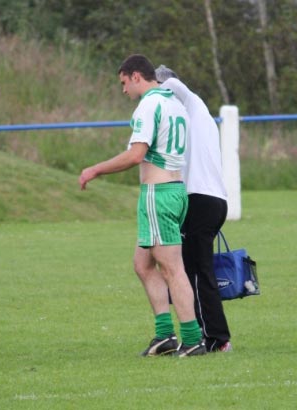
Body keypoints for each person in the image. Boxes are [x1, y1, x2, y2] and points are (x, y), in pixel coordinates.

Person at [79, 54, 206, 357]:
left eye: (124, 83)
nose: (123, 90)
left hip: (158, 194)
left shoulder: (148, 104)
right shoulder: (174, 103)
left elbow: (136, 155)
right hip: (173, 190)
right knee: (143, 264)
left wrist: (95, 169)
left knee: (172, 268)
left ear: (136, 76)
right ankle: (165, 336)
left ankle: (192, 339)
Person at [155, 65, 232, 352]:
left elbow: (174, 85)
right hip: (205, 199)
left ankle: (215, 338)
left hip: (202, 199)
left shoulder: (190, 101)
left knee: (197, 273)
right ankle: (204, 335)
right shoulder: (186, 117)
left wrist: (154, 87)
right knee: (192, 270)